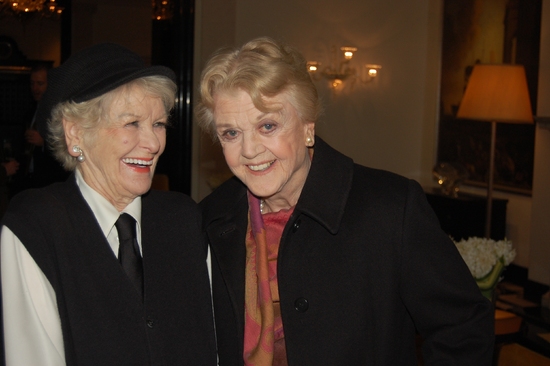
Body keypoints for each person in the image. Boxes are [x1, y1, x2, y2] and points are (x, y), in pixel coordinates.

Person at [196, 37, 494, 365]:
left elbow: (463, 330)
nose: (249, 151)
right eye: (230, 133)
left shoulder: (390, 209)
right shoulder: (211, 218)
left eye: (267, 125)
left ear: (308, 126)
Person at [1, 43, 217, 365]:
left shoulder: (184, 220)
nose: (154, 143)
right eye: (132, 123)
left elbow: (213, 349)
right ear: (76, 134)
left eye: (159, 124)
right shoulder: (37, 226)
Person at [12, 64, 68, 194]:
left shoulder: (59, 113)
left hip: (49, 183)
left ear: (50, 85)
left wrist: (44, 143)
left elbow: (67, 149)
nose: (35, 88)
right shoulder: (30, 110)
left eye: (40, 83)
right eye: (32, 84)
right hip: (28, 180)